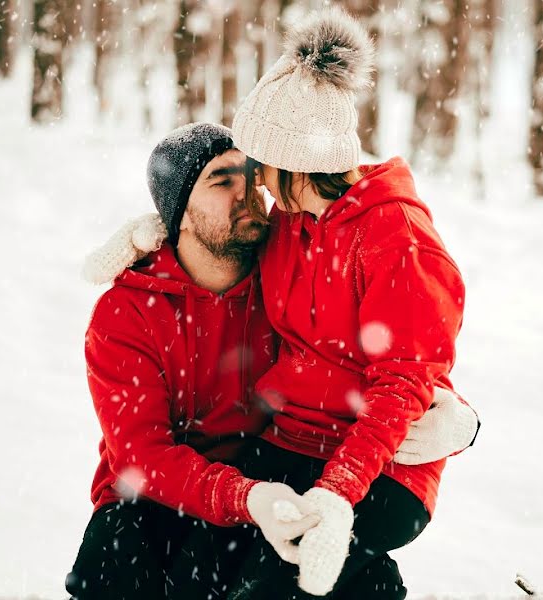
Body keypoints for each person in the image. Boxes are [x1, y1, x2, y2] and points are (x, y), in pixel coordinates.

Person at [66, 122, 479, 599]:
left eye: (250, 174)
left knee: (344, 576)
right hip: (162, 499)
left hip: (276, 476)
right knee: (114, 559)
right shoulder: (127, 314)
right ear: (177, 214)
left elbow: (392, 350)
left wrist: (460, 417)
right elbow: (144, 457)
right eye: (222, 181)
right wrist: (246, 498)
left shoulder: (283, 276)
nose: (248, 192)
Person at [220, 8, 470, 598]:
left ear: (295, 164)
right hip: (289, 444)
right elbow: (216, 254)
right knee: (206, 556)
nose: (255, 181)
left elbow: (403, 381)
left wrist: (338, 494)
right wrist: (154, 232)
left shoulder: (394, 239)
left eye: (261, 166)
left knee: (266, 585)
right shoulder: (289, 223)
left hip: (381, 469)